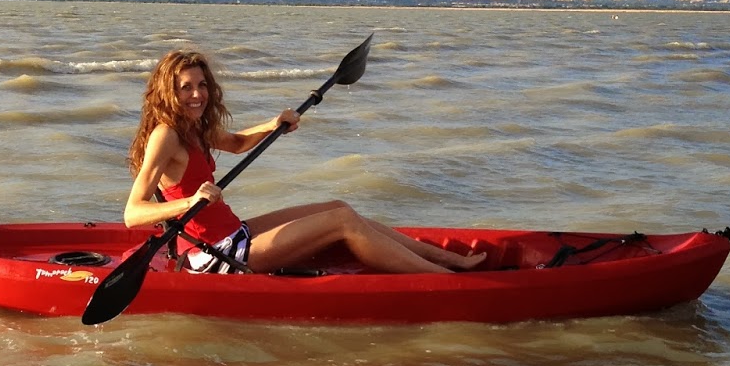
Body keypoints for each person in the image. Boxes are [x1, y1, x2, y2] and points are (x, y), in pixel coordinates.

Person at [124, 48, 485, 276]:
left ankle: (447, 260)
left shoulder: (194, 127)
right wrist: (190, 202)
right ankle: (444, 280)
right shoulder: (166, 135)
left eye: (202, 85)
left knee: (339, 206)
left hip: (237, 232)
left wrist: (275, 122)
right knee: (341, 221)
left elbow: (236, 144)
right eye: (186, 87)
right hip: (216, 255)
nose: (198, 94)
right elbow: (133, 213)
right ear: (167, 91)